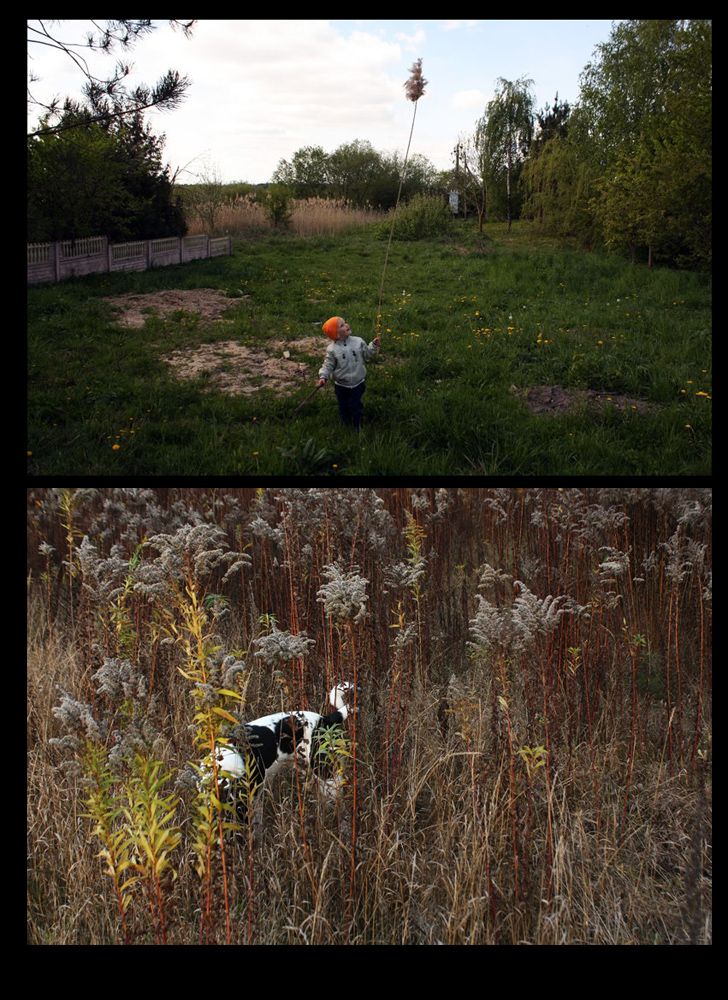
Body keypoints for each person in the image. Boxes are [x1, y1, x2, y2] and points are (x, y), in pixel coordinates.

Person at [317, 316, 380, 430]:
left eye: (345, 323)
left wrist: (373, 346)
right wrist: (323, 376)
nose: (347, 325)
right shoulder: (332, 349)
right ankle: (345, 422)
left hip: (358, 383)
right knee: (343, 405)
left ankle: (357, 424)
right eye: (342, 325)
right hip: (341, 385)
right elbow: (328, 365)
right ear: (336, 334)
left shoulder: (358, 341)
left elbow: (367, 354)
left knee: (355, 405)